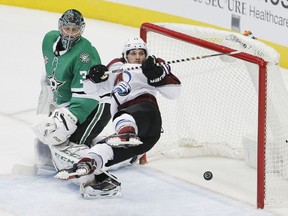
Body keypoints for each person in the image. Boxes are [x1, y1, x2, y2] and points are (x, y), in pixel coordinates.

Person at [55, 37, 182, 199]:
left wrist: (158, 77)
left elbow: (174, 92)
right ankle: (87, 164)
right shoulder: (116, 67)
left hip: (148, 118)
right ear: (125, 55)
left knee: (126, 114)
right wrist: (93, 77)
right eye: (133, 53)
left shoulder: (153, 66)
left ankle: (125, 133)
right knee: (102, 148)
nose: (138, 56)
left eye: (141, 53)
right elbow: (92, 91)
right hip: (138, 137)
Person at [32, 9, 111, 172]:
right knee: (45, 143)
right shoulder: (49, 39)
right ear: (60, 27)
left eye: (74, 30)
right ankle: (101, 141)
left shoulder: (85, 54)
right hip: (67, 104)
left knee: (72, 151)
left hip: (95, 107)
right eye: (66, 29)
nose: (69, 34)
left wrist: (64, 122)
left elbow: (87, 98)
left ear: (81, 30)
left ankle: (122, 154)